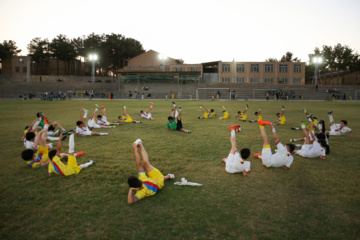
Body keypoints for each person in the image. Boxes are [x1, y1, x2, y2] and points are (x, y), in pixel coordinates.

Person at [127, 139, 174, 204]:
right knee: (146, 164)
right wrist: (135, 150)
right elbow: (139, 165)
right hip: (158, 182)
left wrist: (131, 190)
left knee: (145, 164)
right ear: (138, 180)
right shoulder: (142, 190)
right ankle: (168, 176)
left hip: (153, 180)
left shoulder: (140, 192)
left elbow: (130, 202)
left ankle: (140, 145)